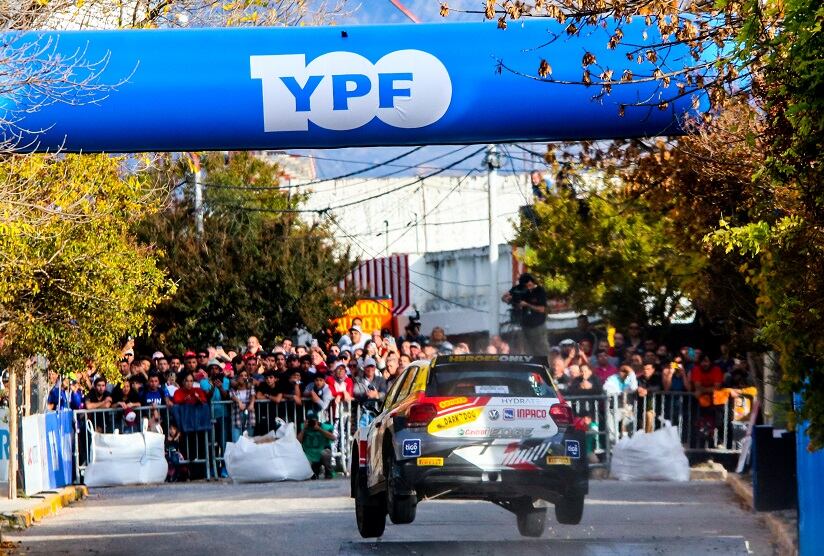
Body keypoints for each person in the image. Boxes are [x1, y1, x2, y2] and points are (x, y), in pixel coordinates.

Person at [501, 272, 548, 356]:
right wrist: (512, 301)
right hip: (524, 325)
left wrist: (527, 304)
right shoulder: (519, 288)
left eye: (529, 285)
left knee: (541, 349)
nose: (527, 288)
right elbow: (504, 298)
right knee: (528, 350)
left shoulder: (539, 291)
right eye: (525, 286)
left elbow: (542, 309)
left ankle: (545, 365)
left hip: (538, 325)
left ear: (532, 282)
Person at [297, 410, 336, 480]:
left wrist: (319, 429)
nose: (312, 423)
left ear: (317, 420)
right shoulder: (304, 427)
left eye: (313, 421)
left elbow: (333, 438)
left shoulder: (324, 427)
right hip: (309, 454)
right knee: (310, 472)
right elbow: (298, 441)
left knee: (326, 453)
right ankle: (314, 471)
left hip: (321, 452)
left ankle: (328, 472)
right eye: (310, 421)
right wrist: (304, 429)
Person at [353, 358, 387, 427]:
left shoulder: (381, 380)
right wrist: (366, 394)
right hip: (362, 411)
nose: (370, 369)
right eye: (368, 366)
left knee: (374, 433)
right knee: (363, 434)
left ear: (375, 368)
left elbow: (384, 393)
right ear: (364, 368)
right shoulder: (358, 379)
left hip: (377, 412)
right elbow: (356, 391)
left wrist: (377, 395)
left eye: (372, 366)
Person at [229, 368, 256, 441]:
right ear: (237, 377)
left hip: (249, 416)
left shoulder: (250, 387)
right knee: (236, 441)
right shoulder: (233, 388)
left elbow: (253, 395)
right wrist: (239, 402)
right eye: (241, 375)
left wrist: (252, 404)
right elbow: (232, 395)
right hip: (237, 416)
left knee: (249, 441)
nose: (243, 377)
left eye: (245, 375)